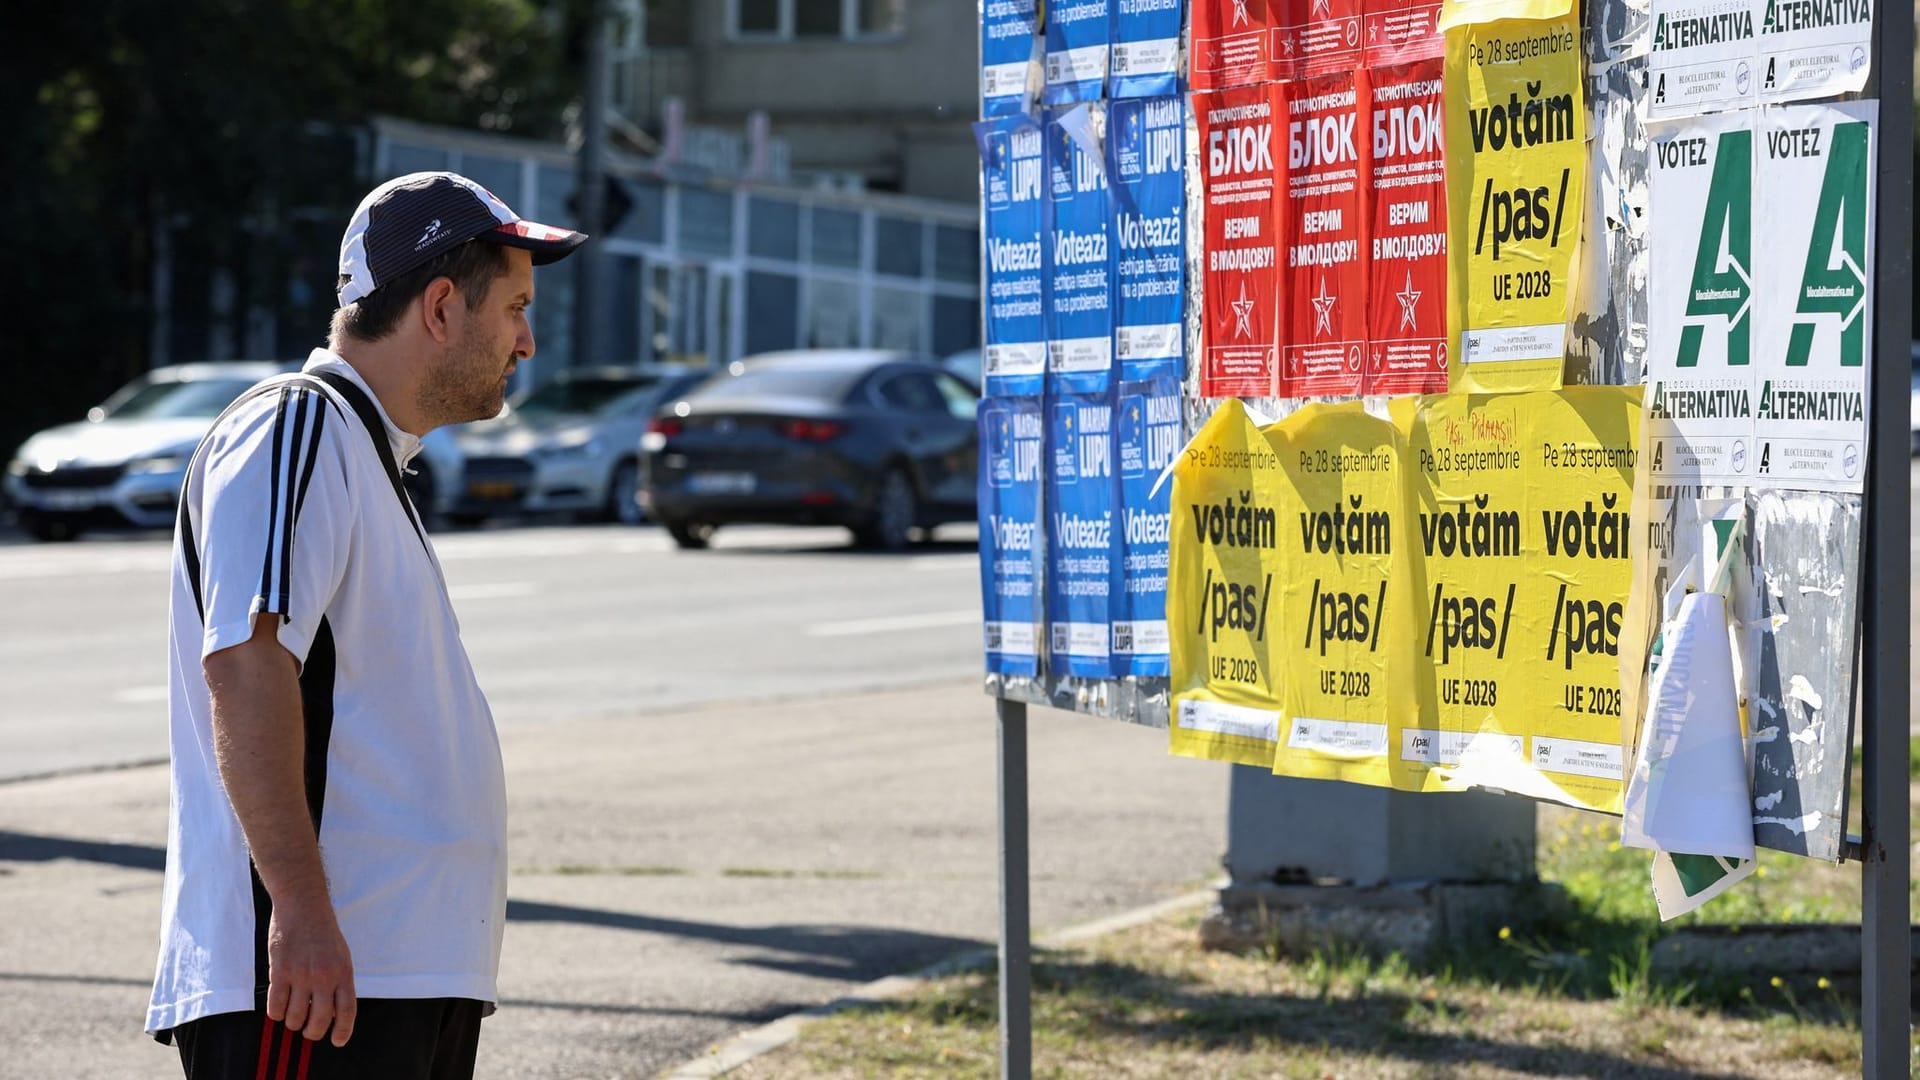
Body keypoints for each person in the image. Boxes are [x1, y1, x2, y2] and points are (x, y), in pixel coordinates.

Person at [146, 172, 586, 1079]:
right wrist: (302, 914)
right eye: (514, 309)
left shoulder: (365, 452)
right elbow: (247, 663)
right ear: (440, 307)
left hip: (389, 975)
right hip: (317, 983)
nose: (528, 342)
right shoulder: (297, 426)